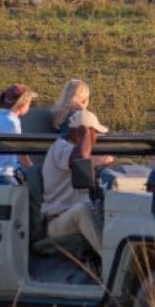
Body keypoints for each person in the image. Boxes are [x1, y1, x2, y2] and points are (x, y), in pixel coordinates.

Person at [41, 109, 113, 255]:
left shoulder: (74, 151)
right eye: (95, 133)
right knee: (82, 211)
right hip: (57, 221)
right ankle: (110, 262)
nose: (96, 138)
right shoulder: (61, 148)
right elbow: (79, 160)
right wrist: (86, 136)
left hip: (73, 215)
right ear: (80, 132)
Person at [0, 84, 36, 185]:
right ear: (23, 104)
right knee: (20, 195)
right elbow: (20, 150)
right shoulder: (13, 122)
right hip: (5, 172)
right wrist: (32, 169)